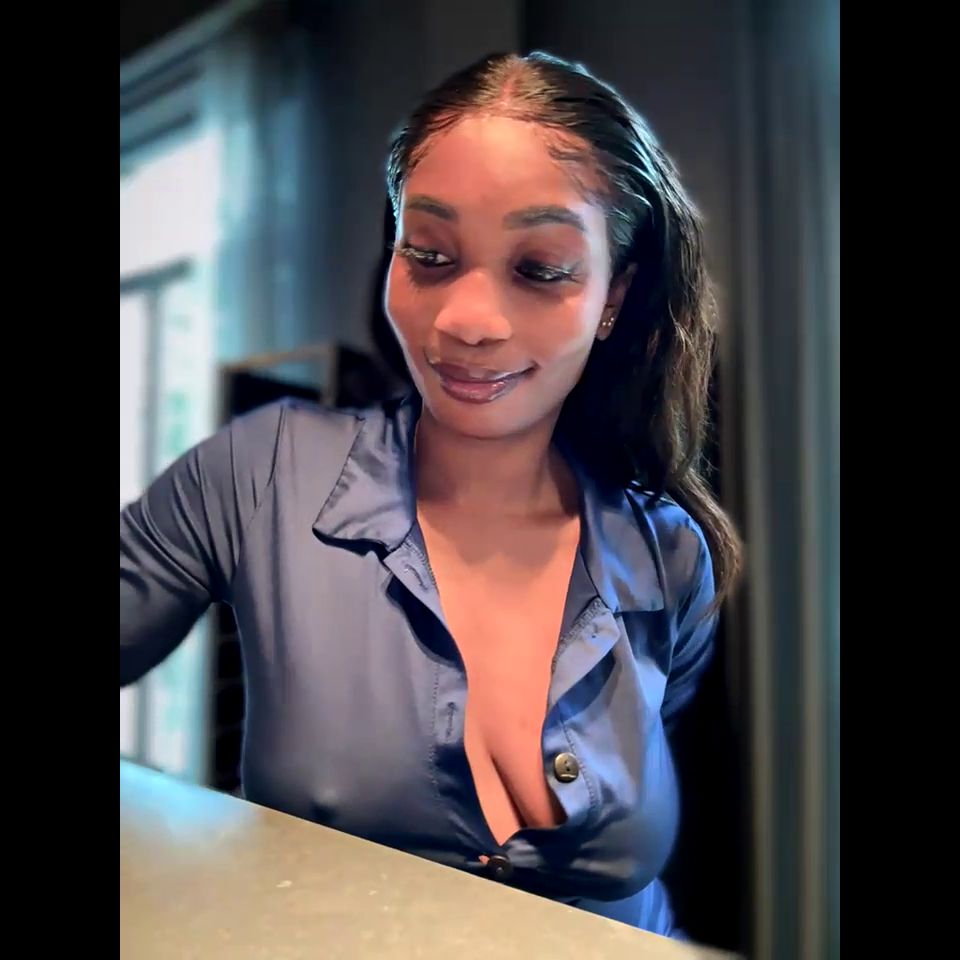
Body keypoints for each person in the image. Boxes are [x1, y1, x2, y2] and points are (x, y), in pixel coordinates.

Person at [120, 50, 742, 938]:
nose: (466, 321)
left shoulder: (668, 552)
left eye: (541, 268)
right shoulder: (267, 473)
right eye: (431, 254)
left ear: (616, 295)